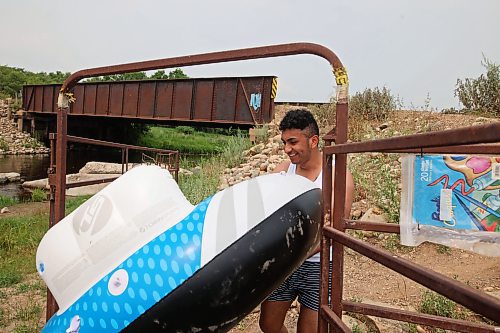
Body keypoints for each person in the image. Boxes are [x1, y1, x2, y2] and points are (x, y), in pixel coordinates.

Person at [259, 108, 354, 333]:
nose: (287, 150)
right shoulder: (282, 172)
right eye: (284, 142)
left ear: (313, 141)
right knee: (268, 325)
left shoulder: (336, 179)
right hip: (284, 265)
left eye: (292, 142)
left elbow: (335, 232)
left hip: (319, 267)